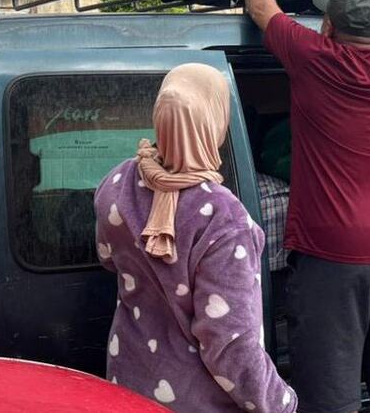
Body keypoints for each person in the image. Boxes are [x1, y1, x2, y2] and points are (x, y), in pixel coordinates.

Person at [237, 0, 370, 413]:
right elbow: (357, 9)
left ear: (327, 26)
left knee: (330, 395)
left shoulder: (314, 58)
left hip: (335, 255)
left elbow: (263, 11)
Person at [94, 63, 296, 413]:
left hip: (127, 381)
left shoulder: (117, 182)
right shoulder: (224, 219)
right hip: (197, 401)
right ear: (214, 121)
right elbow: (230, 346)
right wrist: (281, 403)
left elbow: (107, 257)